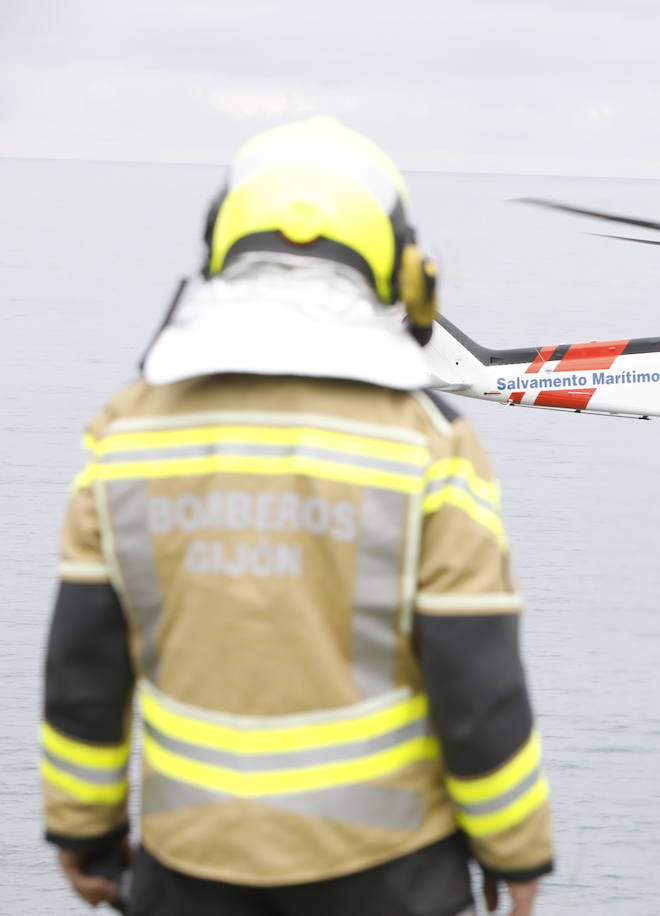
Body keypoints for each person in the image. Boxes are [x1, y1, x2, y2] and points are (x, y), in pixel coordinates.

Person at [40, 117, 553, 915]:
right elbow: (477, 684)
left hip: (189, 874)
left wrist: (85, 837)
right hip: (393, 877)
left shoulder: (125, 435)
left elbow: (82, 672)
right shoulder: (430, 444)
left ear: (220, 255)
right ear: (403, 273)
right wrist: (513, 847)